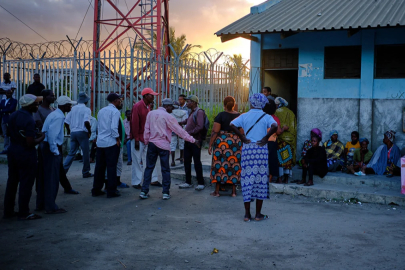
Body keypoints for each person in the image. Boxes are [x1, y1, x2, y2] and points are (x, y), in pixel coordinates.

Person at [229, 93, 278, 222]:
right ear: (262, 104)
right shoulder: (266, 117)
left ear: (251, 103)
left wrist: (242, 137)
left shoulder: (244, 115)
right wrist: (266, 138)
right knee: (260, 180)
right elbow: (275, 127)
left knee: (247, 179)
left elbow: (231, 124)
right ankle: (258, 214)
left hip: (248, 149)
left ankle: (246, 214)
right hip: (261, 150)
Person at [140, 98, 199, 200]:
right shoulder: (168, 116)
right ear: (167, 106)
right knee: (165, 169)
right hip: (163, 145)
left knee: (149, 167)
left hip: (152, 144)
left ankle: (144, 191)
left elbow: (146, 129)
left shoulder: (151, 114)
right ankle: (165, 193)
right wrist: (193, 140)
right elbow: (180, 131)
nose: (173, 109)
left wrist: (146, 141)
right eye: (172, 107)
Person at [34, 90, 78, 212]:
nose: (71, 107)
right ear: (64, 106)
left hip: (45, 146)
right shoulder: (58, 116)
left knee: (43, 177)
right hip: (51, 148)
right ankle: (50, 206)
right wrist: (55, 151)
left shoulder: (54, 114)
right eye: (69, 105)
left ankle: (41, 204)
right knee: (52, 179)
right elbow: (52, 136)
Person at [3, 94, 45, 220]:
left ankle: (8, 211)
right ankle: (24, 212)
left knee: (12, 182)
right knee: (26, 183)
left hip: (13, 151)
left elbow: (10, 133)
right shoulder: (28, 119)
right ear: (29, 105)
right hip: (26, 154)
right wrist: (42, 136)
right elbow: (30, 142)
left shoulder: (14, 115)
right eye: (36, 103)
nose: (37, 105)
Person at [208, 96, 241, 197]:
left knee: (219, 164)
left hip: (222, 143)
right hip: (235, 142)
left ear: (224, 104)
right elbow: (242, 132)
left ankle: (217, 191)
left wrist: (210, 145)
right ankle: (234, 192)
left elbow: (215, 132)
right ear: (234, 104)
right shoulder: (239, 116)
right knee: (234, 164)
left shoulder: (221, 115)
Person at [92, 93, 123, 198]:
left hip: (100, 142)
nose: (120, 101)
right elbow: (114, 128)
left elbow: (99, 126)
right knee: (111, 167)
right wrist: (118, 139)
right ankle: (111, 190)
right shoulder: (115, 111)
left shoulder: (101, 111)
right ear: (115, 101)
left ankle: (96, 189)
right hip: (111, 142)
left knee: (99, 167)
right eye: (119, 99)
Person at [130, 88, 161, 189]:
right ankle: (136, 182)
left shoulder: (147, 107)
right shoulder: (138, 106)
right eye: (151, 95)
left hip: (146, 138)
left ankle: (153, 179)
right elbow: (134, 124)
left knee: (150, 159)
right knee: (137, 161)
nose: (153, 97)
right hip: (139, 138)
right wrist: (136, 140)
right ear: (146, 96)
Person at [178, 95, 206, 191]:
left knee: (197, 161)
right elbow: (188, 121)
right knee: (187, 161)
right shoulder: (192, 112)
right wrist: (180, 123)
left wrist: (188, 133)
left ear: (194, 102)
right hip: (189, 140)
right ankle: (188, 182)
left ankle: (201, 182)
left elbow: (200, 126)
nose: (187, 103)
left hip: (195, 141)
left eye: (189, 101)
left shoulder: (199, 112)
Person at [63, 92, 93, 178]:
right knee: (86, 152)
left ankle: (63, 171)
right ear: (86, 101)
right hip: (82, 132)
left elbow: (66, 121)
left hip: (73, 132)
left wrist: (69, 130)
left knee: (71, 153)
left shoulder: (73, 109)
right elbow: (86, 122)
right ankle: (86, 172)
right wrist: (89, 131)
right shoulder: (86, 109)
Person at [263, 98, 287, 183]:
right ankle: (270, 177)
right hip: (272, 140)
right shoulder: (274, 118)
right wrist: (284, 128)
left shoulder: (262, 116)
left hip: (262, 141)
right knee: (272, 159)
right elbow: (278, 131)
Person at [274, 97, 297, 183]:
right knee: (288, 158)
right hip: (290, 140)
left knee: (279, 158)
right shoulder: (291, 113)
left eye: (276, 104)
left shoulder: (276, 112)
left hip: (280, 139)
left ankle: (280, 178)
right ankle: (286, 178)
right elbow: (294, 127)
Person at [170, 101, 188, 166]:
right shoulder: (184, 112)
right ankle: (182, 158)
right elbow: (185, 123)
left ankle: (172, 161)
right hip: (181, 130)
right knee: (181, 144)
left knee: (172, 145)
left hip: (173, 130)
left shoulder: (170, 113)